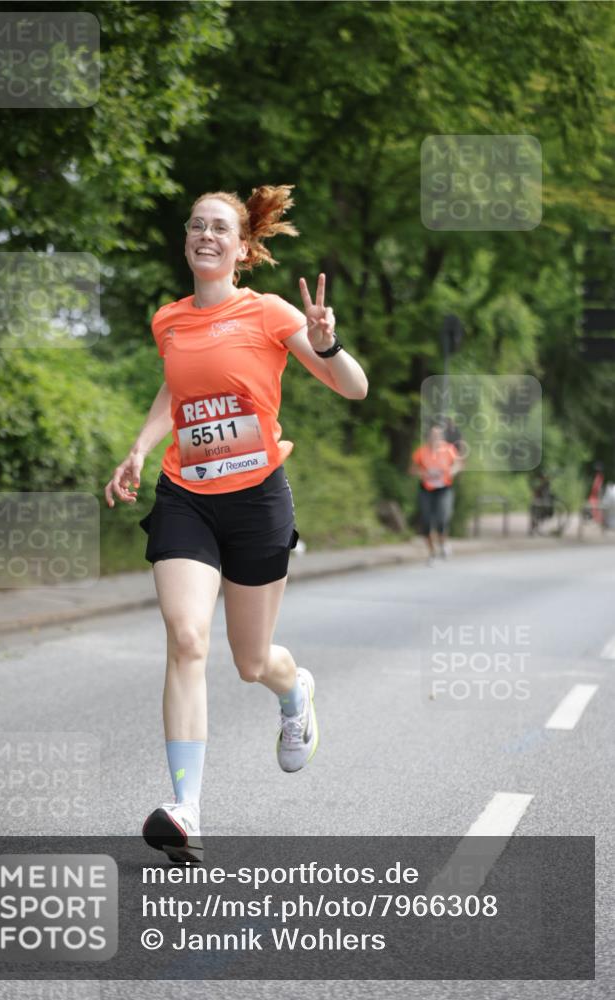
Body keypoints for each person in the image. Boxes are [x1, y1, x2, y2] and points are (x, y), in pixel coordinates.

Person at [104, 185, 368, 861]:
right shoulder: (169, 320)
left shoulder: (270, 313)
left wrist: (327, 344)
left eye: (220, 227)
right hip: (186, 494)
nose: (205, 235)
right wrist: (138, 447)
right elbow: (175, 387)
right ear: (187, 240)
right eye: (196, 225)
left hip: (256, 500)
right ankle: (185, 808)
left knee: (251, 663)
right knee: (186, 636)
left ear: (243, 247)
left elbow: (353, 388)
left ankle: (294, 690)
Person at [409, 423, 463, 565]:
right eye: (433, 435)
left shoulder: (449, 450)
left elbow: (458, 464)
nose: (435, 438)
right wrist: (424, 473)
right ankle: (431, 553)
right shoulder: (421, 452)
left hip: (444, 488)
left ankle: (443, 543)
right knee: (426, 521)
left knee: (442, 518)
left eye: (438, 435)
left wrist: (452, 471)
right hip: (426, 489)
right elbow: (412, 470)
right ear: (428, 437)